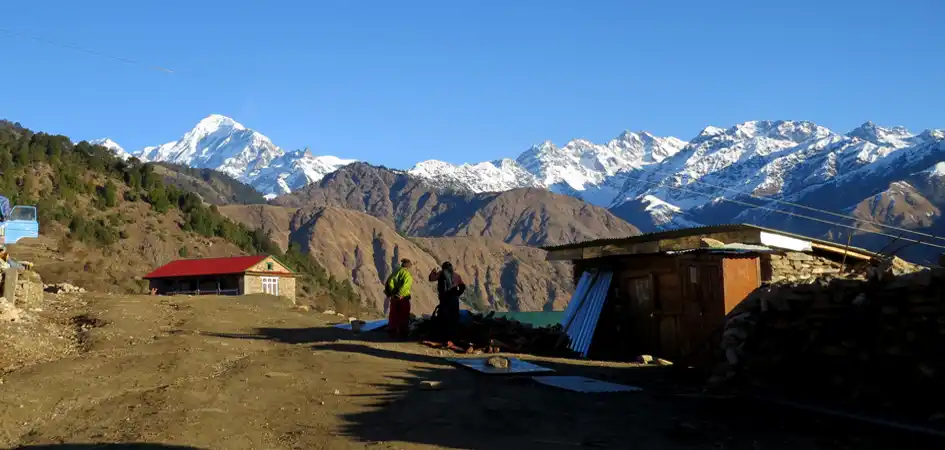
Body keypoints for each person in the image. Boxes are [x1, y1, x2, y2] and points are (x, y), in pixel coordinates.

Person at [428, 261, 466, 343]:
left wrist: (433, 272)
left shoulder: (441, 274)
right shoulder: (456, 275)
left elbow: (431, 278)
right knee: (454, 318)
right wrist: (457, 294)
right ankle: (454, 337)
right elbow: (463, 286)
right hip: (454, 300)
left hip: (444, 299)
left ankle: (443, 337)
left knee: (444, 317)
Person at [384, 259, 414, 340]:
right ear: (408, 267)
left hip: (394, 298)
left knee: (393, 314)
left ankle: (392, 330)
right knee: (404, 315)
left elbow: (389, 282)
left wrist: (392, 292)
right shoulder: (407, 275)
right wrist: (400, 294)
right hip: (403, 298)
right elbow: (406, 286)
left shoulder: (395, 272)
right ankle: (403, 332)